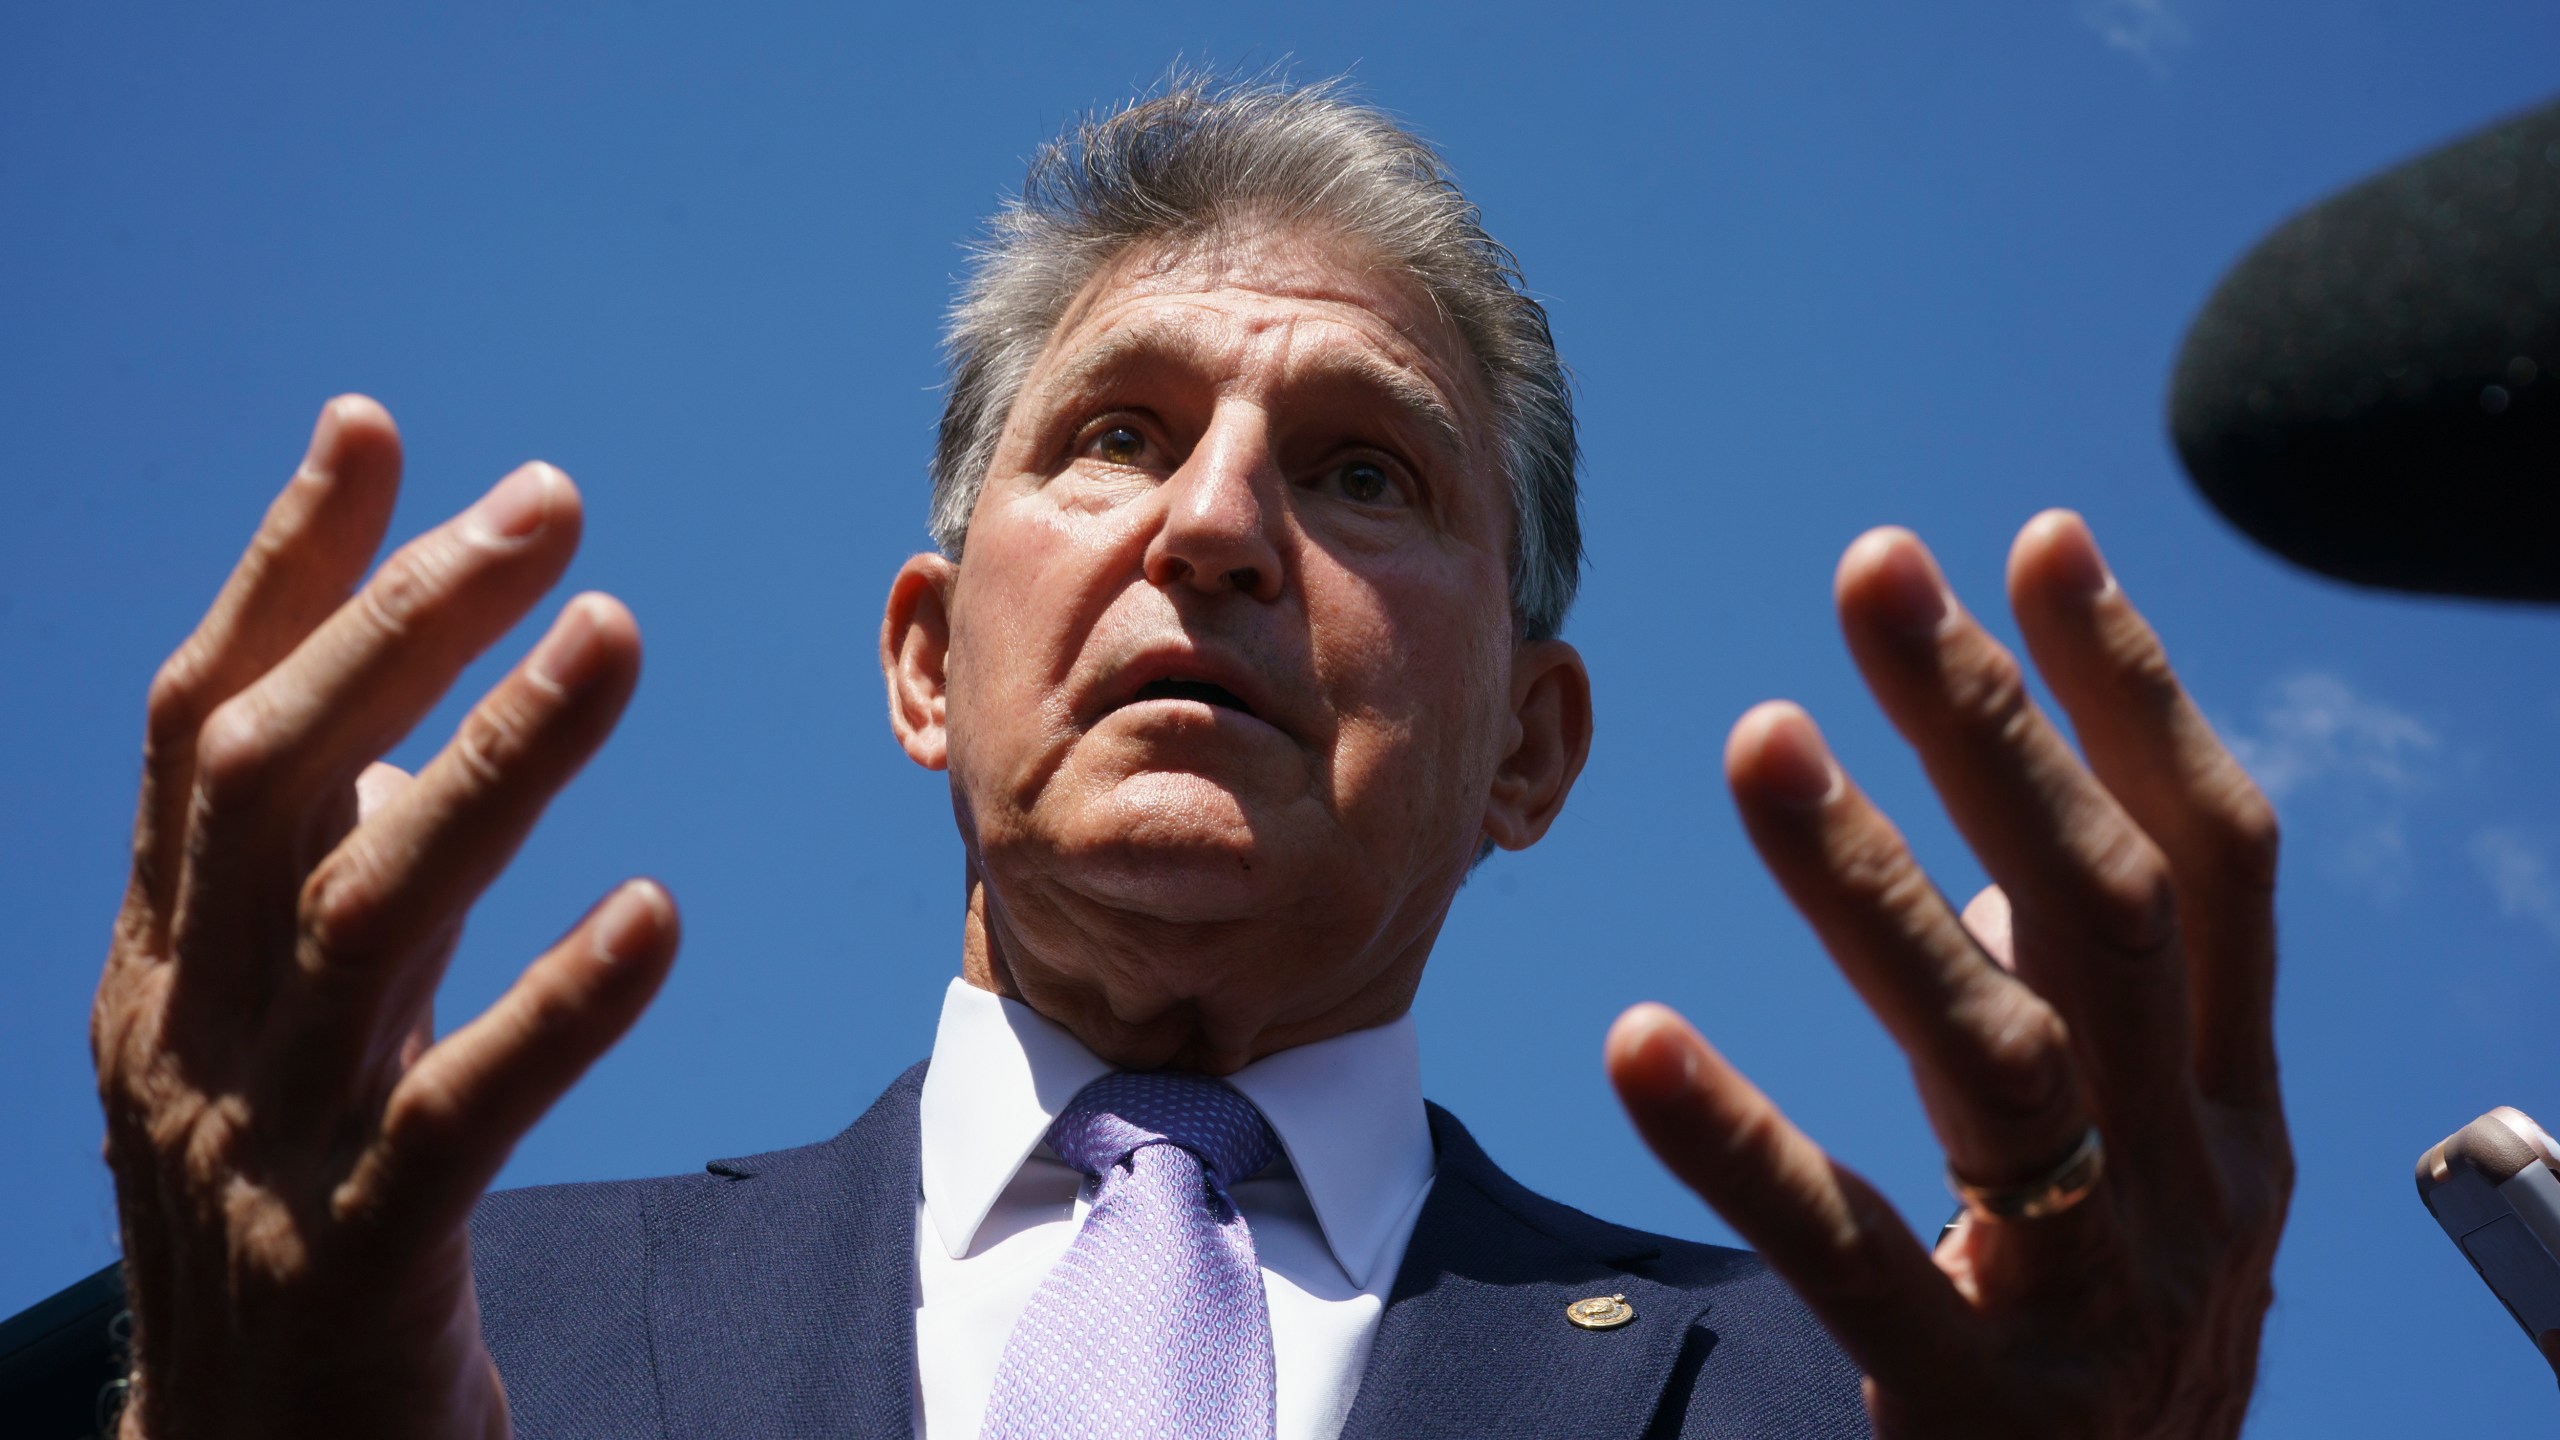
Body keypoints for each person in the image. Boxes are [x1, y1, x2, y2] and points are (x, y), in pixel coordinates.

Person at [86, 76, 2293, 1439]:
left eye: (1359, 476)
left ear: (1528, 748)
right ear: (926, 661)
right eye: (1115, 434)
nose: (1215, 526)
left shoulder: (1875, 1399)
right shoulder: (384, 1326)